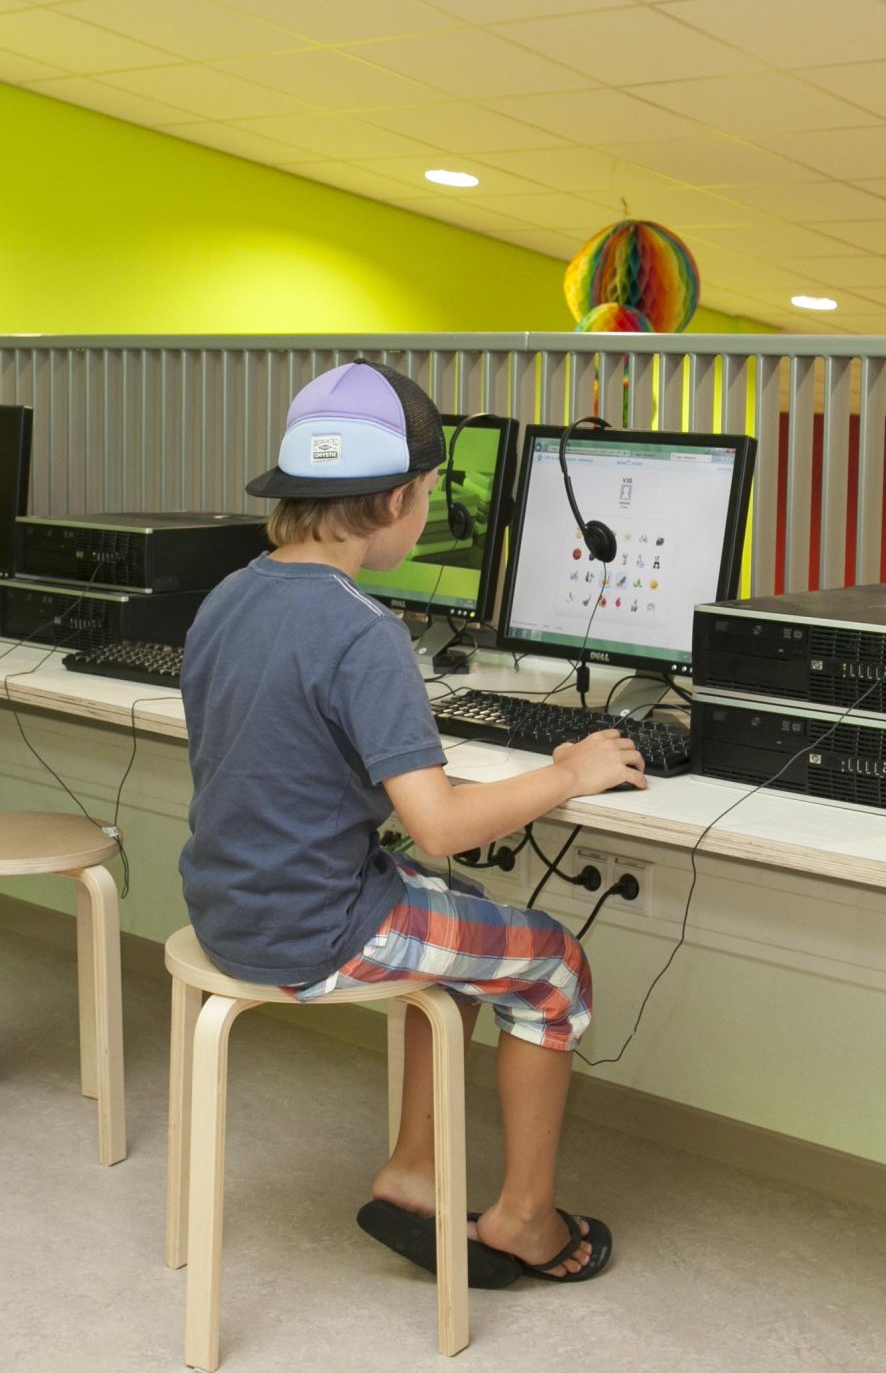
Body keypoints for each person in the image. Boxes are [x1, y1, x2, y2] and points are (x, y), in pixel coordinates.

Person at [179, 360, 636, 1288]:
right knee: (553, 964)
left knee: (461, 913)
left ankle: (417, 1169)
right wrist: (567, 772)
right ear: (396, 499)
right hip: (316, 926)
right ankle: (525, 1218)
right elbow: (440, 826)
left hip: (228, 904)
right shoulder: (362, 629)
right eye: (428, 493)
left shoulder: (228, 594)